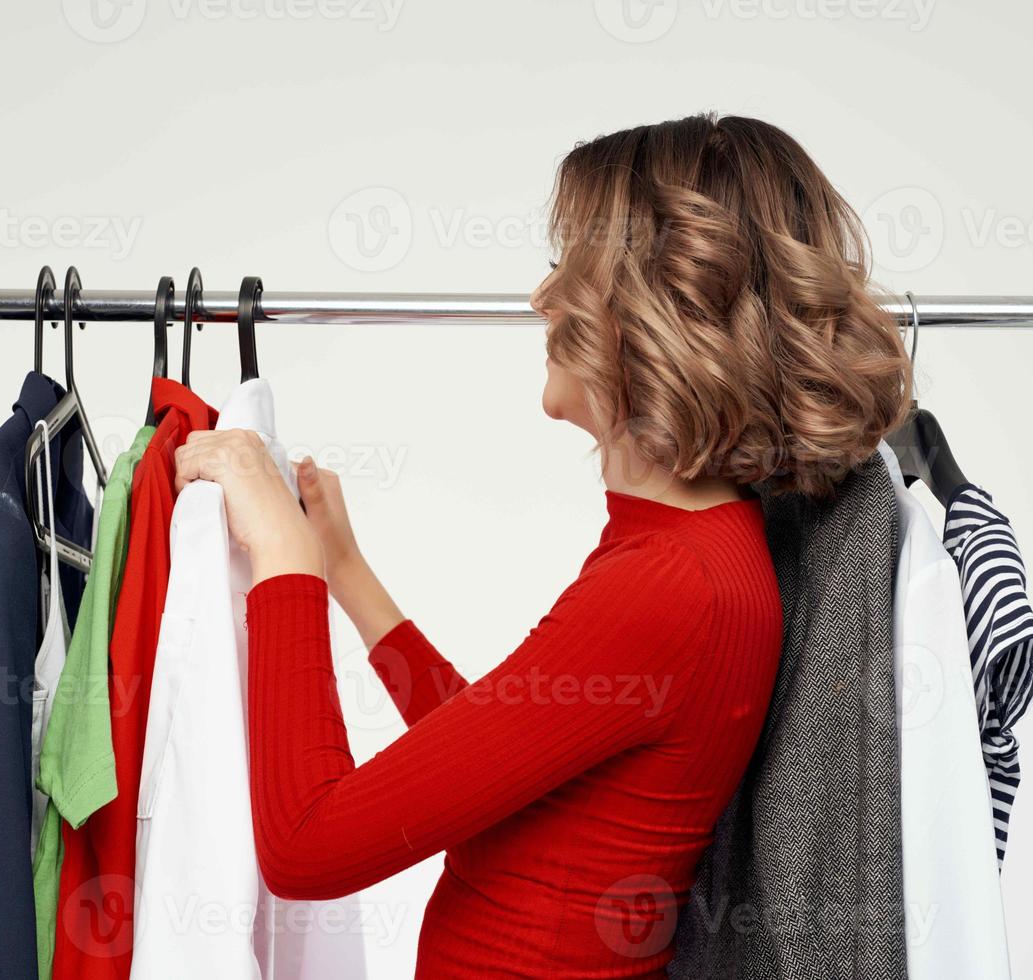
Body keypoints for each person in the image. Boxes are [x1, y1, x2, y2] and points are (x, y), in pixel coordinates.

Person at [174, 112, 912, 978]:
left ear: (657, 312)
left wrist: (283, 562)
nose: (542, 295)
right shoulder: (691, 547)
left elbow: (308, 847)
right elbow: (499, 769)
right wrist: (345, 572)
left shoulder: (675, 584)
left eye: (575, 267)